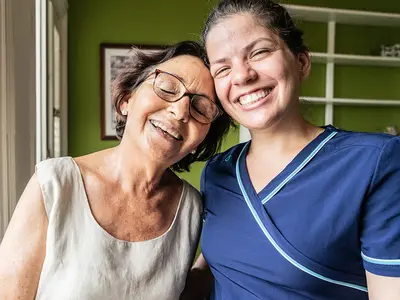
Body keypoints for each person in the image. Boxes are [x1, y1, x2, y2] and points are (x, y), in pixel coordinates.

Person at [181, 1, 400, 299]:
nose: (242, 76)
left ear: (301, 63)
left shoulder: (374, 163)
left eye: (259, 52)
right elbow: (216, 270)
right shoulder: (218, 171)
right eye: (223, 68)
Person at [0, 41, 232, 300]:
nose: (180, 111)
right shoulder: (55, 183)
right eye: (167, 88)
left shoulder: (190, 207)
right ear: (126, 100)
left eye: (201, 108)